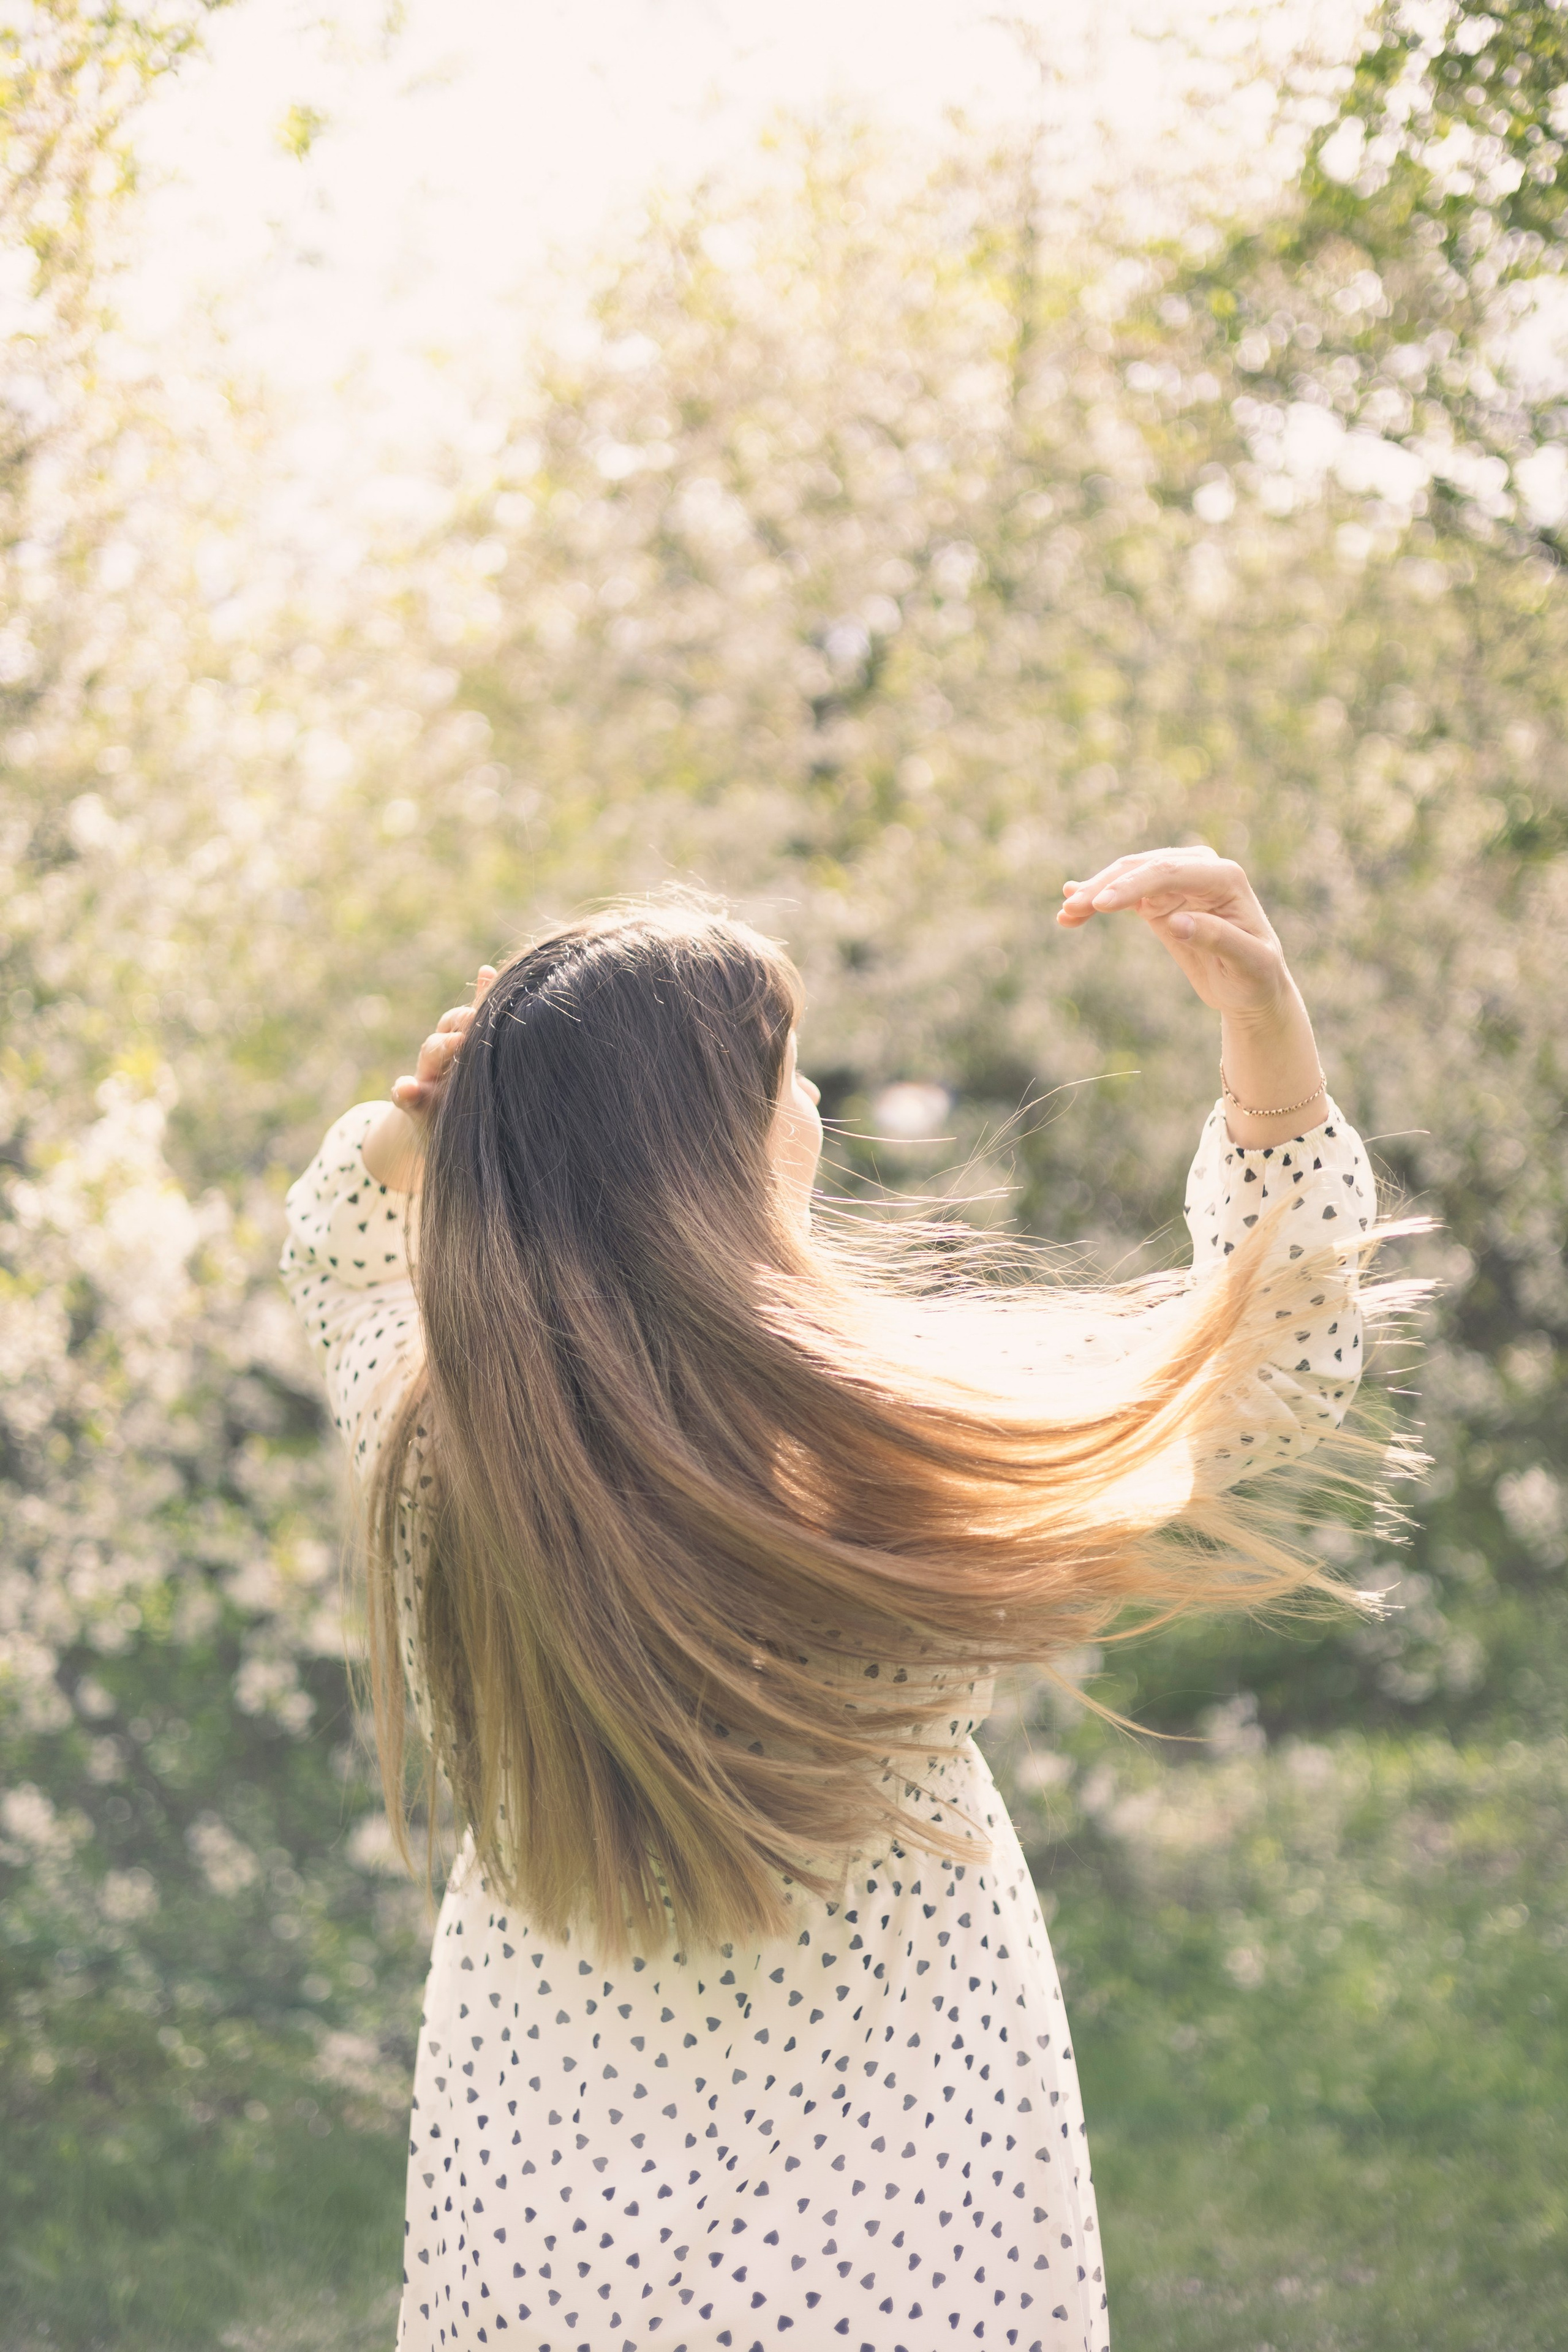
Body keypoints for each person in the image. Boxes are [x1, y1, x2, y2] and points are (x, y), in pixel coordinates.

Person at [281, 846, 1405, 2352]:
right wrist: (1271, 1063)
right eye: (788, 1080)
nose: (812, 1109)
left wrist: (402, 1137)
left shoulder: (440, 1445)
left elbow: (338, 1261)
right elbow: (1260, 1377)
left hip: (533, 2227)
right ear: (717, 1155)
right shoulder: (879, 1458)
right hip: (887, 2236)